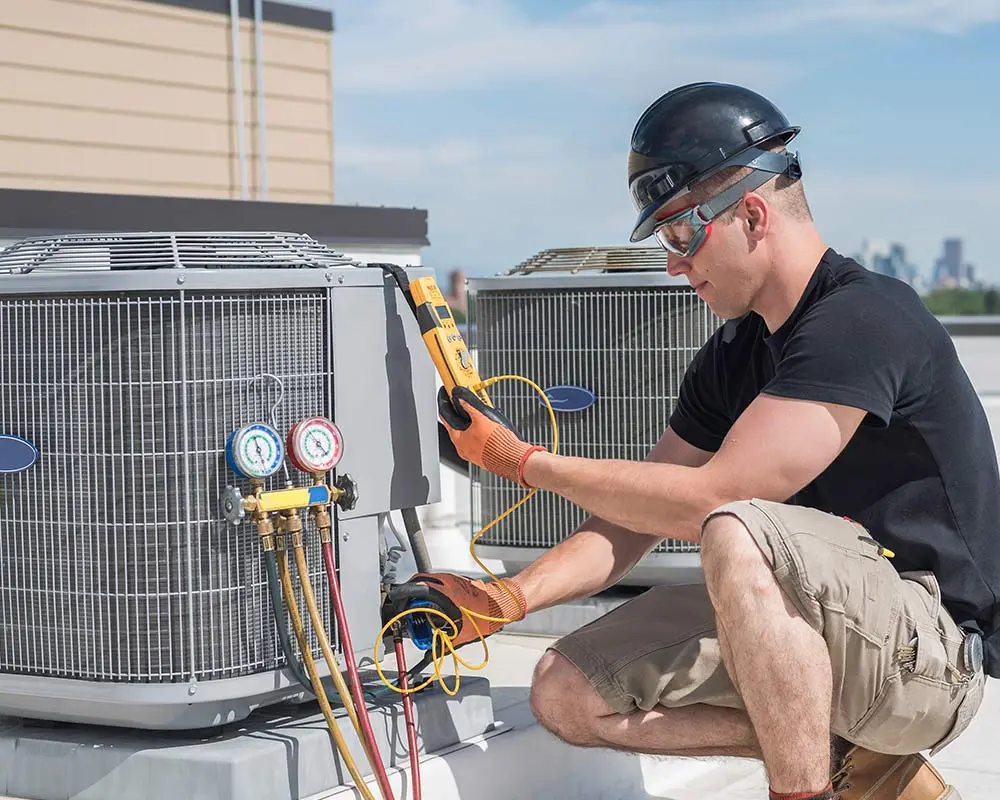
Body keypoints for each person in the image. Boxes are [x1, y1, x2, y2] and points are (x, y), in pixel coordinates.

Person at [386, 82, 997, 800]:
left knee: (736, 528)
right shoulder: (734, 354)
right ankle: (847, 756)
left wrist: (524, 463)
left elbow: (717, 496)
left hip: (933, 655)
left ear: (753, 214)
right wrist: (506, 600)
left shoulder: (865, 320)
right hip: (830, 632)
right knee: (567, 691)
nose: (675, 265)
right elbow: (632, 519)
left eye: (680, 235)